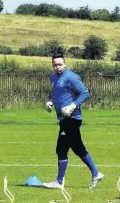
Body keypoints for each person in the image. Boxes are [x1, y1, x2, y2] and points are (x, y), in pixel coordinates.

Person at [43, 54, 103, 189]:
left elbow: (85, 93)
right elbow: (57, 94)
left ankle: (59, 181)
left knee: (61, 149)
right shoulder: (53, 77)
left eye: (60, 64)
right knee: (78, 148)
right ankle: (96, 173)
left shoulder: (71, 77)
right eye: (55, 64)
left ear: (65, 64)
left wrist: (73, 105)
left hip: (72, 119)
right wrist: (50, 102)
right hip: (63, 119)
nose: (57, 67)